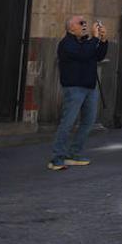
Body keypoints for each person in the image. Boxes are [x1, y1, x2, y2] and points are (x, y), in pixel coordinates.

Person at [48, 15, 108, 170]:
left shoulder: (87, 43)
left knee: (88, 122)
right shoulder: (66, 44)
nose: (84, 25)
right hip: (74, 88)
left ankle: (73, 154)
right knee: (68, 123)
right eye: (81, 23)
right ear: (71, 27)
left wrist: (103, 40)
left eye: (85, 23)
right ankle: (56, 158)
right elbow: (83, 55)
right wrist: (95, 39)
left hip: (90, 87)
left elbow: (98, 56)